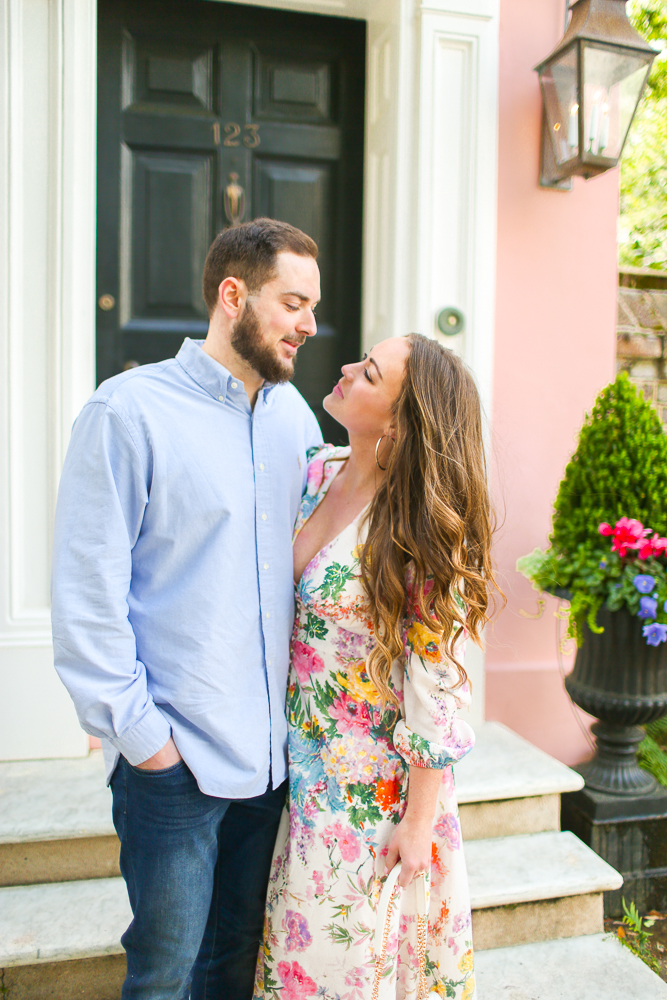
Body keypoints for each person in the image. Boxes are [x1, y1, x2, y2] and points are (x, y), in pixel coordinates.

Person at [51, 218, 323, 1000]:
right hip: (176, 762)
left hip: (270, 759)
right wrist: (146, 743)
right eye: (292, 303)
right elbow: (86, 594)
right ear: (231, 295)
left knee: (234, 959)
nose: (308, 324)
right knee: (164, 972)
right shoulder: (127, 412)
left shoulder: (294, 419)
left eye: (311, 306)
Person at [254, 334, 498, 1000]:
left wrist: (417, 825)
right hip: (296, 772)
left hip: (371, 800)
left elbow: (434, 689)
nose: (342, 370)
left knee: (347, 969)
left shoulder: (419, 531)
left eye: (365, 373)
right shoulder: (316, 472)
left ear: (397, 423)